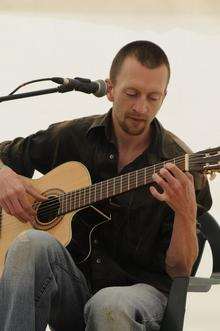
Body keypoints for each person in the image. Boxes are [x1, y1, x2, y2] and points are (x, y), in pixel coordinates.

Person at [0, 40, 212, 331]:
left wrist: (185, 213)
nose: (141, 107)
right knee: (28, 243)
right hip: (73, 289)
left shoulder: (180, 165)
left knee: (108, 305)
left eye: (153, 97)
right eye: (132, 93)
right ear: (110, 89)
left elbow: (180, 270)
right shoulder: (72, 137)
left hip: (140, 297)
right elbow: (7, 153)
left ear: (164, 97)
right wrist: (4, 175)